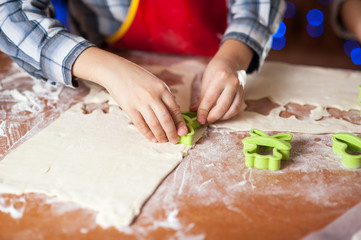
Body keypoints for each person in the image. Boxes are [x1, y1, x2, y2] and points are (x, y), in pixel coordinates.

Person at [0, 0, 285, 144]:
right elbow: (10, 13)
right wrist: (110, 70)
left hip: (215, 51)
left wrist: (233, 57)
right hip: (102, 59)